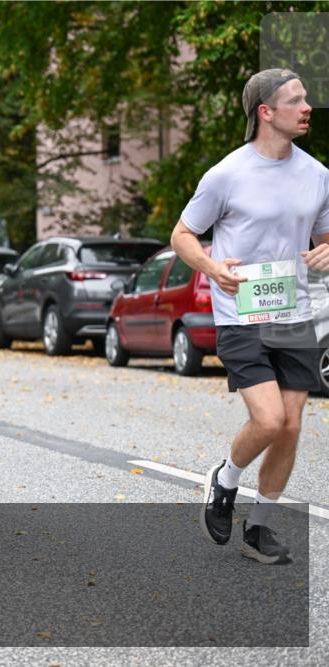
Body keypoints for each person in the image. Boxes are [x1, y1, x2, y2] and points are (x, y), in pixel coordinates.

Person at [171, 69, 329, 565]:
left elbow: (324, 239)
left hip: (295, 313)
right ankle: (225, 479)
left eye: (306, 98)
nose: (307, 107)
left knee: (291, 426)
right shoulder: (227, 173)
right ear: (265, 112)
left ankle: (259, 528)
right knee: (269, 418)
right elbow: (182, 235)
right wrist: (212, 267)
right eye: (295, 100)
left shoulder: (317, 175)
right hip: (241, 313)